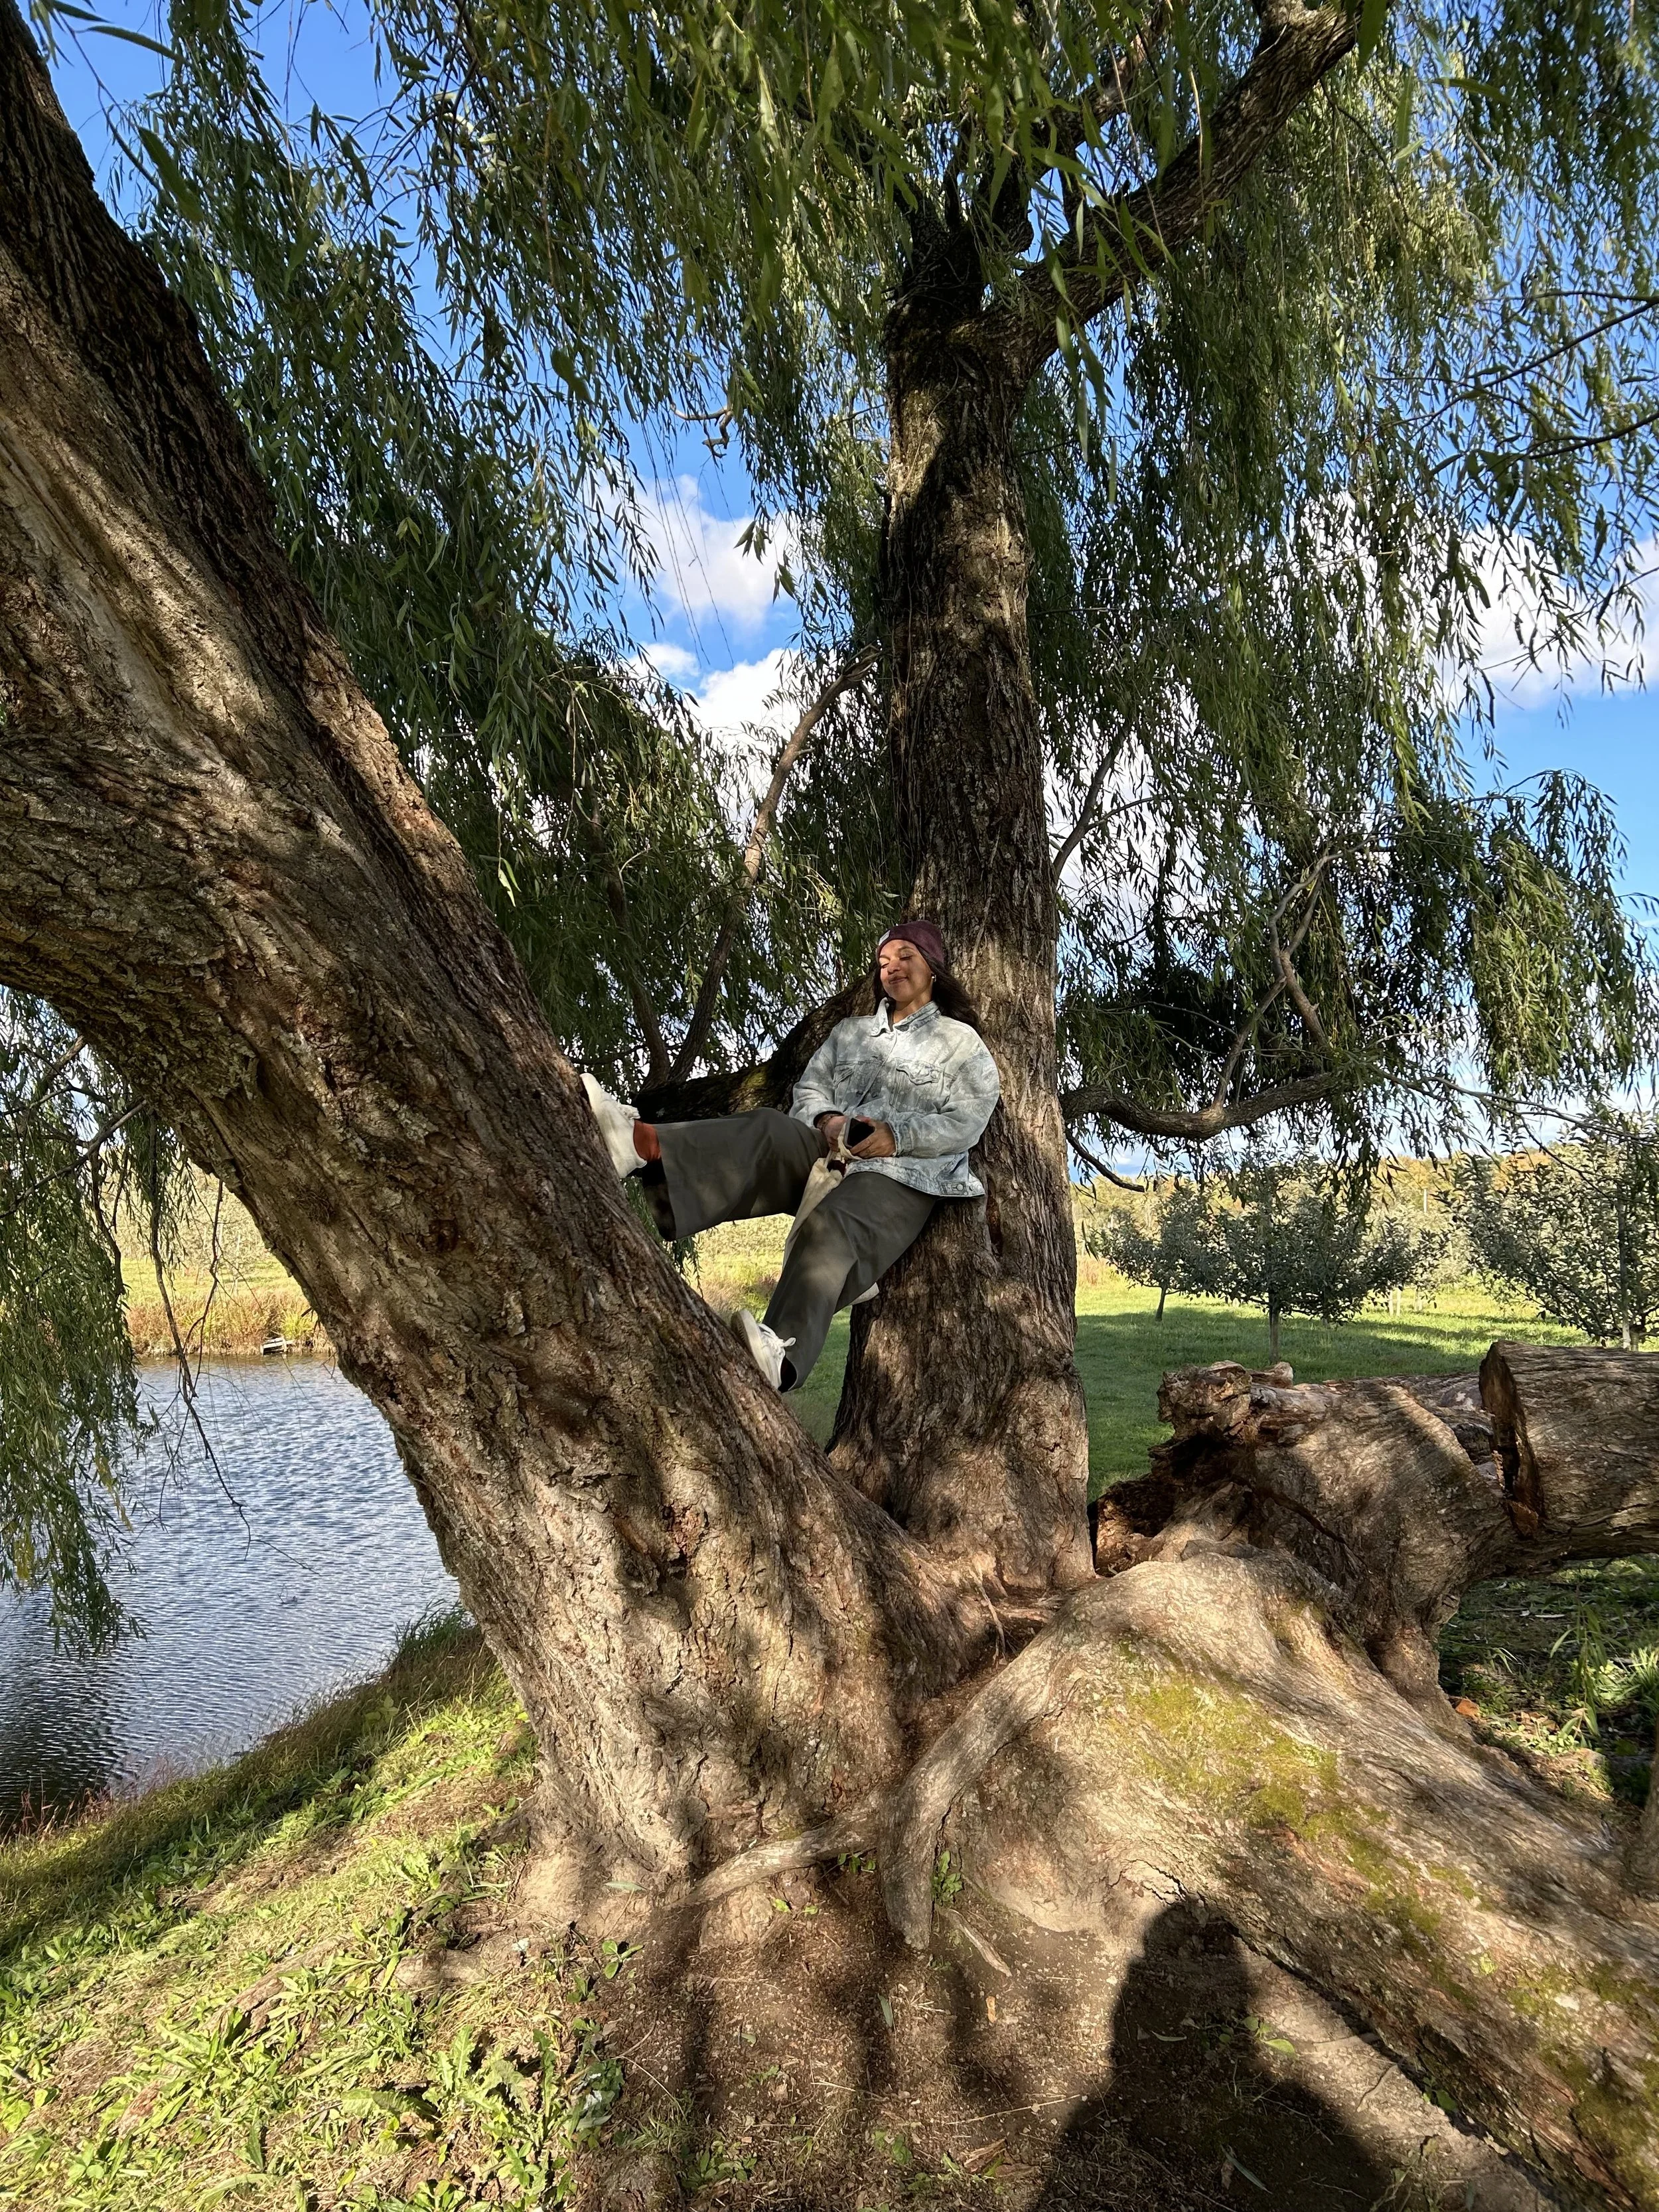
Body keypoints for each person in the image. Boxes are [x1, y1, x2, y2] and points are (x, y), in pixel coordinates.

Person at [582, 921, 1001, 1390]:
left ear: (933, 967)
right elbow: (810, 1088)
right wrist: (825, 1120)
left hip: (905, 1174)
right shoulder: (850, 1033)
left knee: (835, 1224)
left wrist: (896, 1135)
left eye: (905, 956)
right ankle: (639, 1146)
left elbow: (967, 1119)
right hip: (829, 1148)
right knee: (768, 1128)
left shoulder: (962, 1044)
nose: (892, 967)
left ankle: (778, 1354)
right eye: (883, 961)